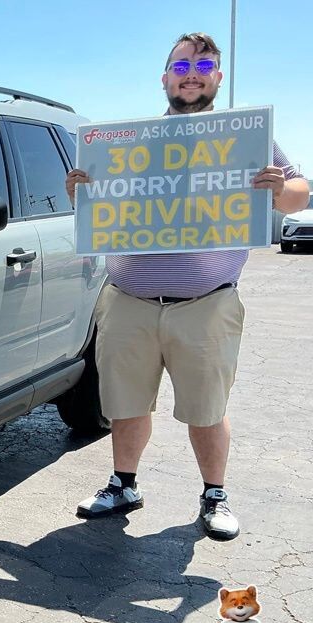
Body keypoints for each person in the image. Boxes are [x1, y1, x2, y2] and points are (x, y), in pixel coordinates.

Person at [67, 32, 310, 540]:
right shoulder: (129, 143)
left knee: (206, 409)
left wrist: (278, 187)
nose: (191, 75)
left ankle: (214, 495)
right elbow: (107, 207)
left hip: (206, 304)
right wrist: (83, 191)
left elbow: (297, 197)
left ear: (217, 77)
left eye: (202, 66)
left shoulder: (247, 138)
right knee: (124, 404)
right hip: (128, 300)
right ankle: (123, 483)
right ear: (165, 78)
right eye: (181, 67)